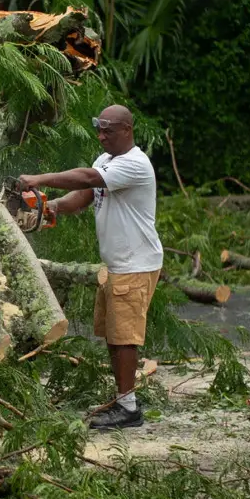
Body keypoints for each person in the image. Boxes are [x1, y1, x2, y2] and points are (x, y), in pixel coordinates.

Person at [16, 104, 163, 430]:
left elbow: (87, 177)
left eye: (107, 131)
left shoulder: (135, 164)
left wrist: (39, 180)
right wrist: (46, 208)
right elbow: (82, 196)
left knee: (125, 337)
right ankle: (123, 400)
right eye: (99, 129)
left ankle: (128, 408)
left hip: (135, 264)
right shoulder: (106, 161)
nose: (101, 136)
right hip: (116, 263)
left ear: (126, 130)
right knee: (113, 334)